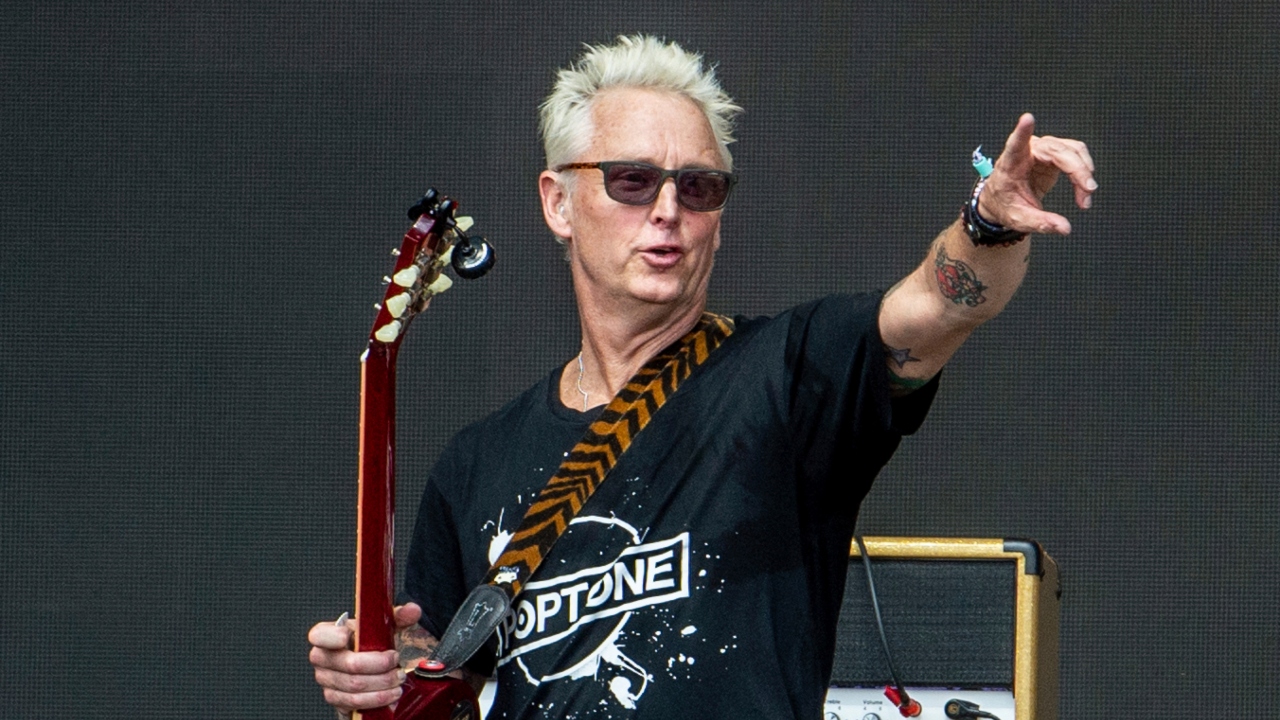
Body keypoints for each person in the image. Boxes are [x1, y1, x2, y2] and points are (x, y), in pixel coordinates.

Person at [308, 34, 1096, 719]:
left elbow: (933, 307)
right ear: (558, 201)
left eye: (699, 187)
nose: (667, 209)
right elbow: (430, 681)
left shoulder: (785, 379)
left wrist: (989, 224)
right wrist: (371, 670)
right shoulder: (475, 465)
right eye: (631, 180)